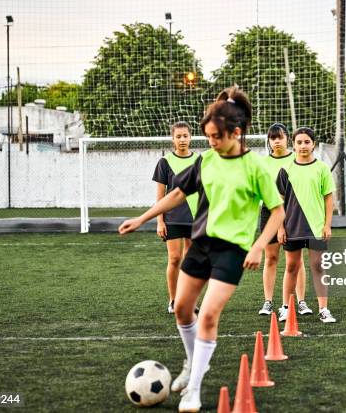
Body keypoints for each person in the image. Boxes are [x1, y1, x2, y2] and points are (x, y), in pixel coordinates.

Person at [119, 87, 284, 413]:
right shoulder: (206, 160)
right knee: (182, 309)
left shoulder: (256, 167)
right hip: (202, 244)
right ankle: (195, 363)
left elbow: (277, 211)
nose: (210, 142)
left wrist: (258, 247)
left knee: (208, 316)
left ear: (235, 133)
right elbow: (177, 194)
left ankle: (193, 388)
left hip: (233, 251)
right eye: (207, 136)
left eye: (215, 137)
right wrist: (143, 217)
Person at [276, 127, 337, 323]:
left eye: (307, 142)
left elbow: (329, 198)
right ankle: (285, 307)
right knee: (292, 267)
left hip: (317, 227)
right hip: (292, 227)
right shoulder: (286, 170)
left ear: (314, 144)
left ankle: (323, 309)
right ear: (293, 145)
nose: (303, 145)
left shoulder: (322, 169)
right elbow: (278, 201)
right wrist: (280, 227)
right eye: (299, 142)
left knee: (318, 267)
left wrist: (328, 225)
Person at [258, 123, 313, 319]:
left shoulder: (297, 157)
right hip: (270, 213)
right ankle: (268, 301)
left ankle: (301, 302)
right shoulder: (263, 163)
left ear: (288, 139)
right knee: (271, 258)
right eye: (273, 138)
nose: (277, 141)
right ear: (269, 142)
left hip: (296, 213)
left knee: (296, 261)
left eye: (280, 137)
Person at [152, 122, 199, 314]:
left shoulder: (200, 160)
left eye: (185, 136)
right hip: (172, 218)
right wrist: (160, 221)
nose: (182, 140)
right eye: (178, 136)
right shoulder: (165, 162)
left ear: (190, 137)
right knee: (174, 259)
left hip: (196, 219)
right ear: (173, 139)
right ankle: (173, 300)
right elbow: (160, 196)